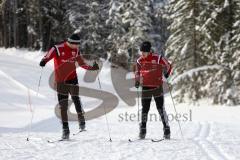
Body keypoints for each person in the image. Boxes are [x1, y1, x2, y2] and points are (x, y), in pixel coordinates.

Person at [39, 34, 99, 139]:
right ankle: (65, 130)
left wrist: (92, 68)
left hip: (73, 79)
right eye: (76, 45)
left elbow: (81, 63)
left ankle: (81, 121)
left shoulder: (76, 50)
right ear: (70, 42)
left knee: (76, 99)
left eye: (78, 45)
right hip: (61, 81)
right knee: (63, 106)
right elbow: (48, 55)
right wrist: (44, 61)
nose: (77, 47)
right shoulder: (57, 48)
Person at [135, 41, 172, 139]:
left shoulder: (158, 58)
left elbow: (168, 65)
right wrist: (137, 80)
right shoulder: (139, 61)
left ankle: (166, 128)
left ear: (149, 51)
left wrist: (167, 73)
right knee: (145, 109)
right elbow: (137, 72)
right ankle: (143, 129)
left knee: (160, 108)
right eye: (141, 52)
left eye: (144, 52)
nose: (142, 54)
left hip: (157, 86)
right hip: (146, 87)